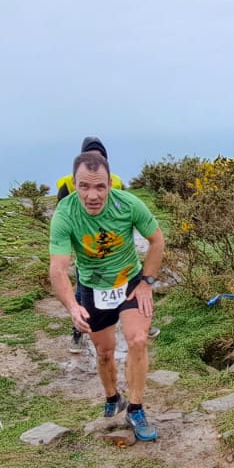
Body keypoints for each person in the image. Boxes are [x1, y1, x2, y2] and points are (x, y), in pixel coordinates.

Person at [49, 148, 165, 441]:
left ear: (110, 185)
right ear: (74, 185)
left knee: (138, 340)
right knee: (104, 352)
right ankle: (113, 397)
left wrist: (147, 282)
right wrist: (73, 306)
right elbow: (59, 268)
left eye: (100, 186)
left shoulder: (128, 204)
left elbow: (157, 239)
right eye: (84, 186)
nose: (92, 195)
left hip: (129, 282)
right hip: (92, 287)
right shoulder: (65, 214)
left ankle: (136, 409)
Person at [54, 137, 156, 353]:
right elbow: (62, 210)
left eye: (101, 157)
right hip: (86, 254)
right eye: (91, 155)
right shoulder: (66, 185)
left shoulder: (116, 182)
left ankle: (143, 322)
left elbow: (122, 204)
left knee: (131, 290)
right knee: (83, 289)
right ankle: (78, 329)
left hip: (115, 249)